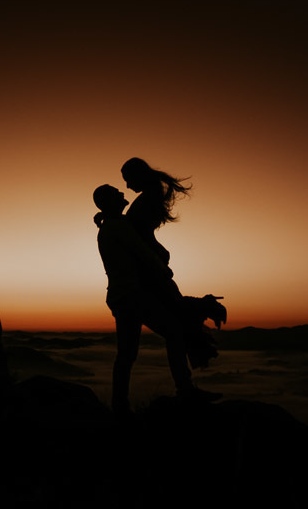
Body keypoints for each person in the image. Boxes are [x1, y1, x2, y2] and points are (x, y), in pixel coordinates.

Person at [93, 184, 221, 415]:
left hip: (122, 297)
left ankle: (120, 405)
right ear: (110, 202)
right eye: (117, 193)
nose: (123, 194)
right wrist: (164, 270)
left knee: (127, 354)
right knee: (173, 332)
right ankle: (185, 391)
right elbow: (143, 253)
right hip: (132, 296)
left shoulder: (111, 226)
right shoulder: (119, 227)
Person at [121, 157, 227, 367]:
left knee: (174, 313)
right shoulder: (150, 196)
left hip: (150, 262)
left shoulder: (147, 199)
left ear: (137, 176)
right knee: (175, 316)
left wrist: (112, 218)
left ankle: (205, 307)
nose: (127, 185)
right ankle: (191, 375)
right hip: (152, 259)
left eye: (127, 179)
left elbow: (136, 229)